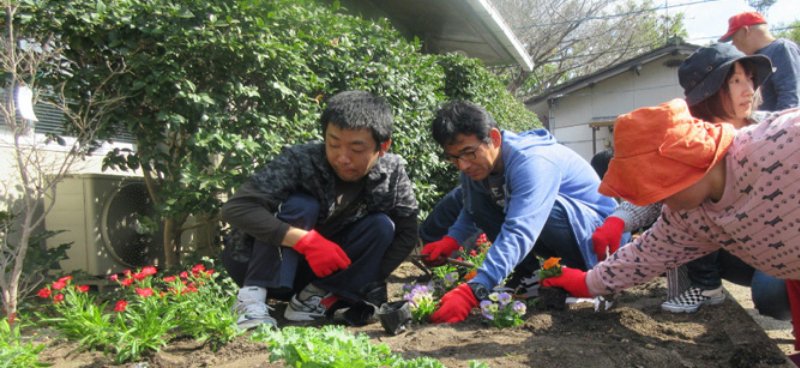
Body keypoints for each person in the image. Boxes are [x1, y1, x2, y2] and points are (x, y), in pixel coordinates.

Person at [541, 98, 800, 348]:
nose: (660, 202)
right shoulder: (689, 216)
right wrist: (586, 282)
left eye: (660, 190)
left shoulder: (780, 141)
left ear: (684, 164)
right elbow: (646, 256)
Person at [591, 43, 790, 319]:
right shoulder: (689, 139)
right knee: (684, 218)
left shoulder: (773, 131)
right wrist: (619, 219)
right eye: (735, 81)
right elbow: (666, 193)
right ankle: (703, 287)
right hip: (741, 247)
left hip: (783, 238)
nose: (748, 90)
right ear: (709, 92)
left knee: (771, 292)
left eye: (750, 79)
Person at [220, 90, 418, 330]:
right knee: (302, 204)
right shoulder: (301, 160)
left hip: (320, 275)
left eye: (356, 150)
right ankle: (251, 300)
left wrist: (363, 279)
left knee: (382, 225)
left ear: (383, 146)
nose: (342, 157)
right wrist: (304, 241)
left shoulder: (392, 171)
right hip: (257, 263)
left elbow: (407, 234)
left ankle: (310, 300)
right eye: (333, 144)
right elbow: (237, 208)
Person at [421, 100, 618, 324]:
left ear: (494, 137)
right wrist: (450, 241)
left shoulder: (532, 161)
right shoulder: (477, 168)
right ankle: (527, 276)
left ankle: (585, 275)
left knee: (537, 206)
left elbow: (521, 228)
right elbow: (472, 210)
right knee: (487, 202)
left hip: (599, 237)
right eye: (454, 157)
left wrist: (475, 289)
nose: (463, 165)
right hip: (561, 228)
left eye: (468, 153)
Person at [719, 11, 800, 111]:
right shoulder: (753, 59)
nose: (733, 45)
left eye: (733, 39)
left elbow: (790, 98)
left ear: (746, 31)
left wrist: (779, 126)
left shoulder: (781, 49)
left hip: (777, 124)